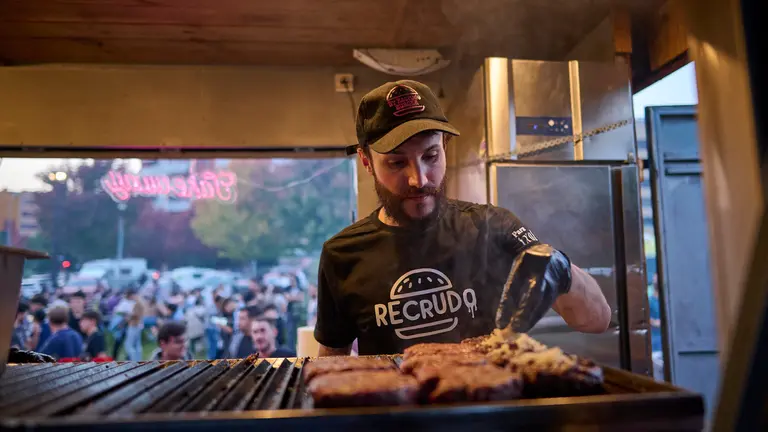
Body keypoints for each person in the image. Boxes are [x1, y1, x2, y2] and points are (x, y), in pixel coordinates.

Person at [314, 80, 612, 356]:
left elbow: (597, 320)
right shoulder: (343, 255)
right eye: (396, 162)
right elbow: (330, 366)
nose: (419, 179)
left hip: (490, 394)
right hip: (393, 398)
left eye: (431, 156)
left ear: (444, 146)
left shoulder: (493, 227)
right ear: (366, 161)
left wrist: (559, 266)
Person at [123, 287, 147, 361]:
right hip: (138, 324)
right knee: (137, 345)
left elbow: (136, 314)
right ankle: (138, 360)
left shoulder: (137, 302)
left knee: (129, 345)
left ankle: (133, 359)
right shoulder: (140, 301)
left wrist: (128, 316)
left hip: (134, 325)